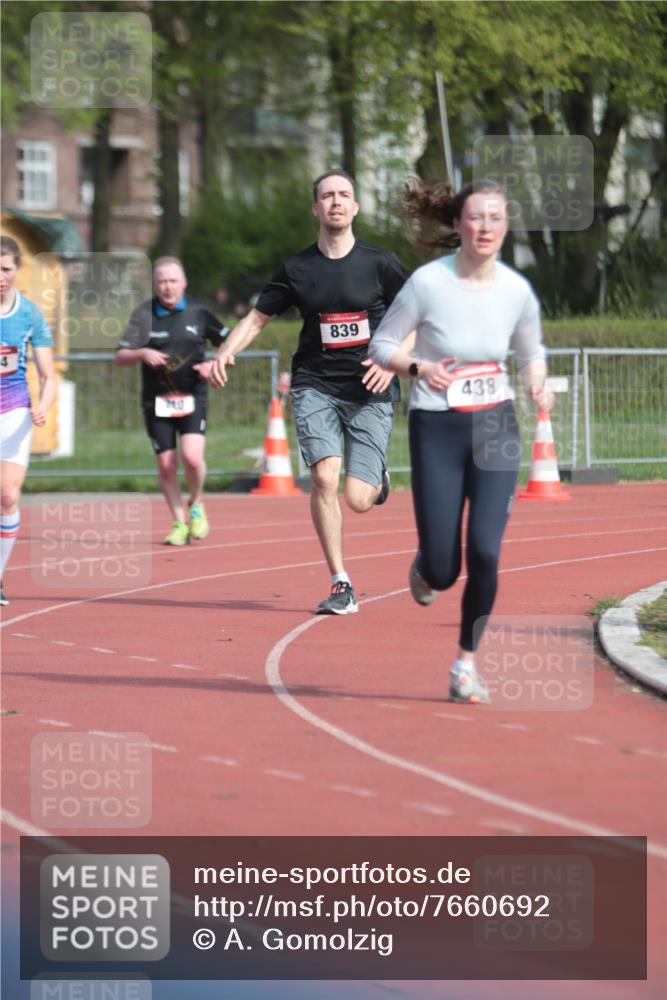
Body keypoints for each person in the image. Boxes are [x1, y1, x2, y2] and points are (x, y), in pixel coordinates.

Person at [369, 178, 554, 703]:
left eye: (496, 217)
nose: (486, 227)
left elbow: (530, 351)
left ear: (505, 225)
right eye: (476, 217)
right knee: (445, 569)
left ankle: (466, 666)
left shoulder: (517, 290)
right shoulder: (428, 283)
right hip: (437, 425)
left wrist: (535, 380)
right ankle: (427, 565)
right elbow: (383, 344)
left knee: (488, 553)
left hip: (495, 423)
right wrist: (418, 366)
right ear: (457, 224)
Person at [209, 169, 411, 615]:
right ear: (315, 209)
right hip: (315, 384)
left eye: (344, 195)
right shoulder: (297, 268)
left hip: (369, 388)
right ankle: (341, 582)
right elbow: (257, 318)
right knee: (323, 476)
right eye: (327, 196)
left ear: (355, 206)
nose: (336, 202)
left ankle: (376, 481)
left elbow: (416, 317)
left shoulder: (381, 263)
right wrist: (226, 351)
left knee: (358, 500)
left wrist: (392, 358)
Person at [115, 257, 228, 545]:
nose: (167, 287)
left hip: (192, 397)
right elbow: (120, 355)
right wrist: (142, 353)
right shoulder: (143, 315)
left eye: (172, 281)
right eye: (161, 281)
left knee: (191, 457)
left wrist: (214, 364)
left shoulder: (199, 311)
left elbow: (229, 343)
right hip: (157, 401)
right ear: (154, 284)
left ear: (184, 283)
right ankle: (179, 522)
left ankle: (197, 503)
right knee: (166, 465)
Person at [0, 235, 57, 606]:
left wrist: (43, 405)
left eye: (6, 269)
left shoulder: (30, 313)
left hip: (15, 410)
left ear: (17, 271)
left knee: (6, 495)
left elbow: (49, 375)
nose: (0, 276)